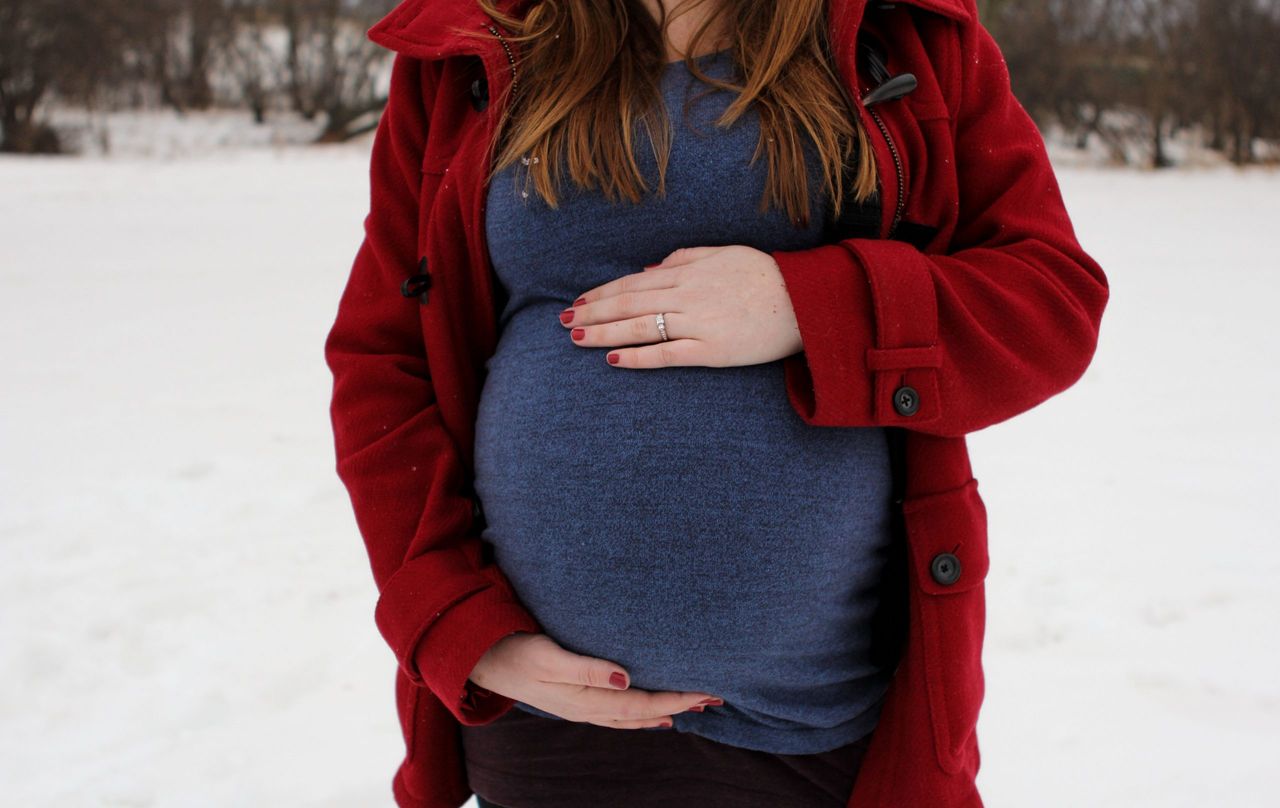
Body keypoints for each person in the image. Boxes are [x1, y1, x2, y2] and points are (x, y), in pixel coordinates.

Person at [323, 0, 1110, 806]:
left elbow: (1050, 302)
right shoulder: (473, 43)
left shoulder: (900, 30)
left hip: (819, 731)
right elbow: (383, 361)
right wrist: (458, 627)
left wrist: (809, 305)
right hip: (547, 735)